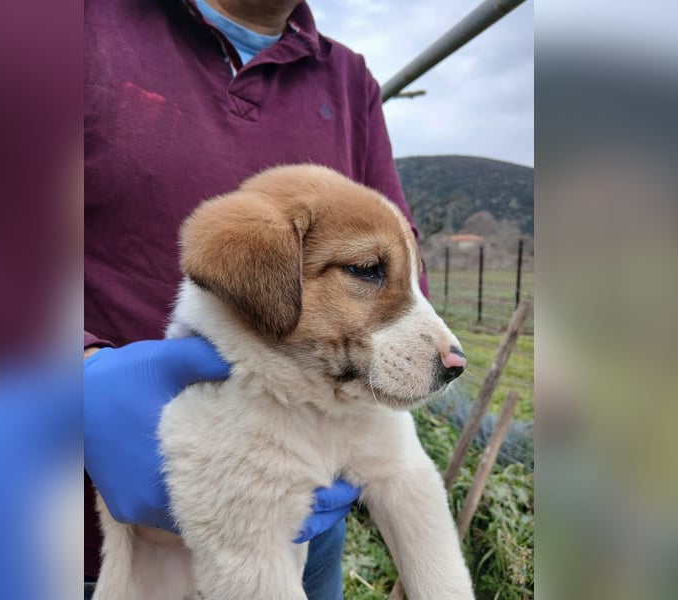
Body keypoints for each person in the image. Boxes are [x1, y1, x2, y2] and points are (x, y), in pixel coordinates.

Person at [83, 1, 428, 598]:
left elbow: (396, 260)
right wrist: (73, 379)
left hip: (299, 517)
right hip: (90, 534)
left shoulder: (348, 80)